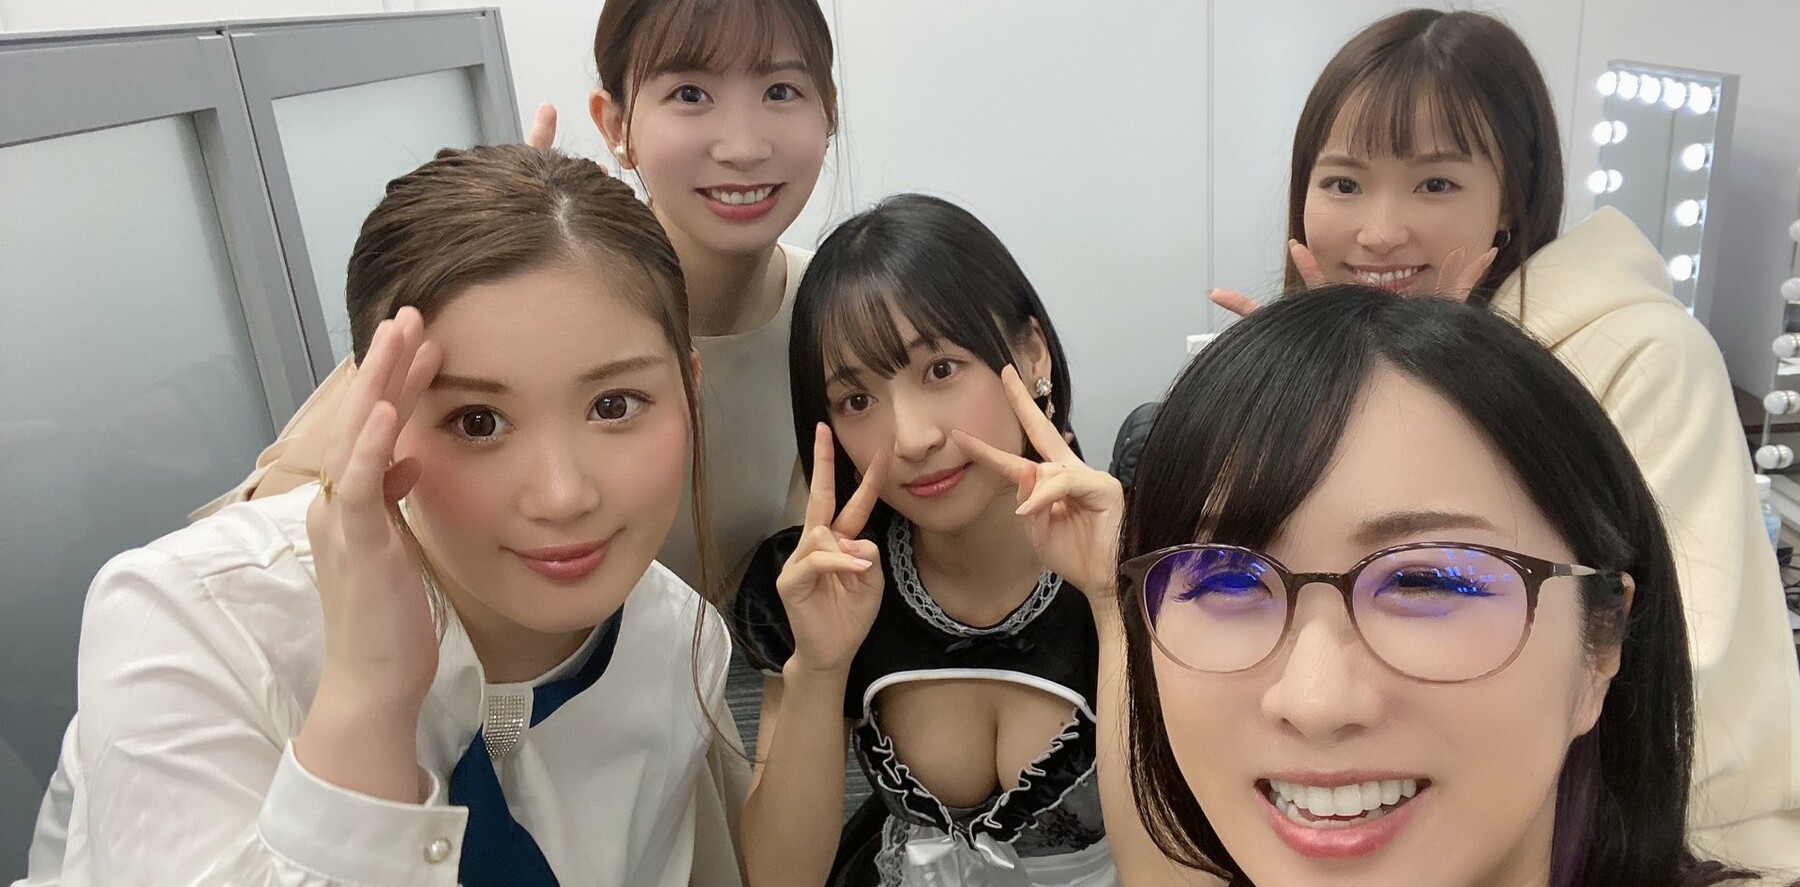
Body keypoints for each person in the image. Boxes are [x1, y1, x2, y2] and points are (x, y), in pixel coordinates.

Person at [1201, 8, 1800, 866]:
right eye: (1343, 184)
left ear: (1513, 199)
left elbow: (1680, 670)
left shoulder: (1645, 353)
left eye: (1435, 184)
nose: (1379, 230)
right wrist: (1294, 394)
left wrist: (1446, 383)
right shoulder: (1331, 363)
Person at [18, 145, 746, 887]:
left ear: (688, 390)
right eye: (477, 422)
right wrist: (367, 697)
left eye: (615, 405)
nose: (562, 495)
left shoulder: (675, 642)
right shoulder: (194, 620)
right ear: (378, 414)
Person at [198, 0, 840, 594]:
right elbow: (256, 534)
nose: (743, 147)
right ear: (615, 124)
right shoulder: (503, 305)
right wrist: (462, 273)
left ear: (828, 111)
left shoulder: (841, 315)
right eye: (690, 94)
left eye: (780, 90)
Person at [729, 195, 1118, 886]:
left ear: (1031, 351)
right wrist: (819, 669)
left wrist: (1115, 606)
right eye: (856, 400)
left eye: (940, 369)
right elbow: (779, 878)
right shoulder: (826, 582)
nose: (911, 438)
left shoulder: (1148, 557)